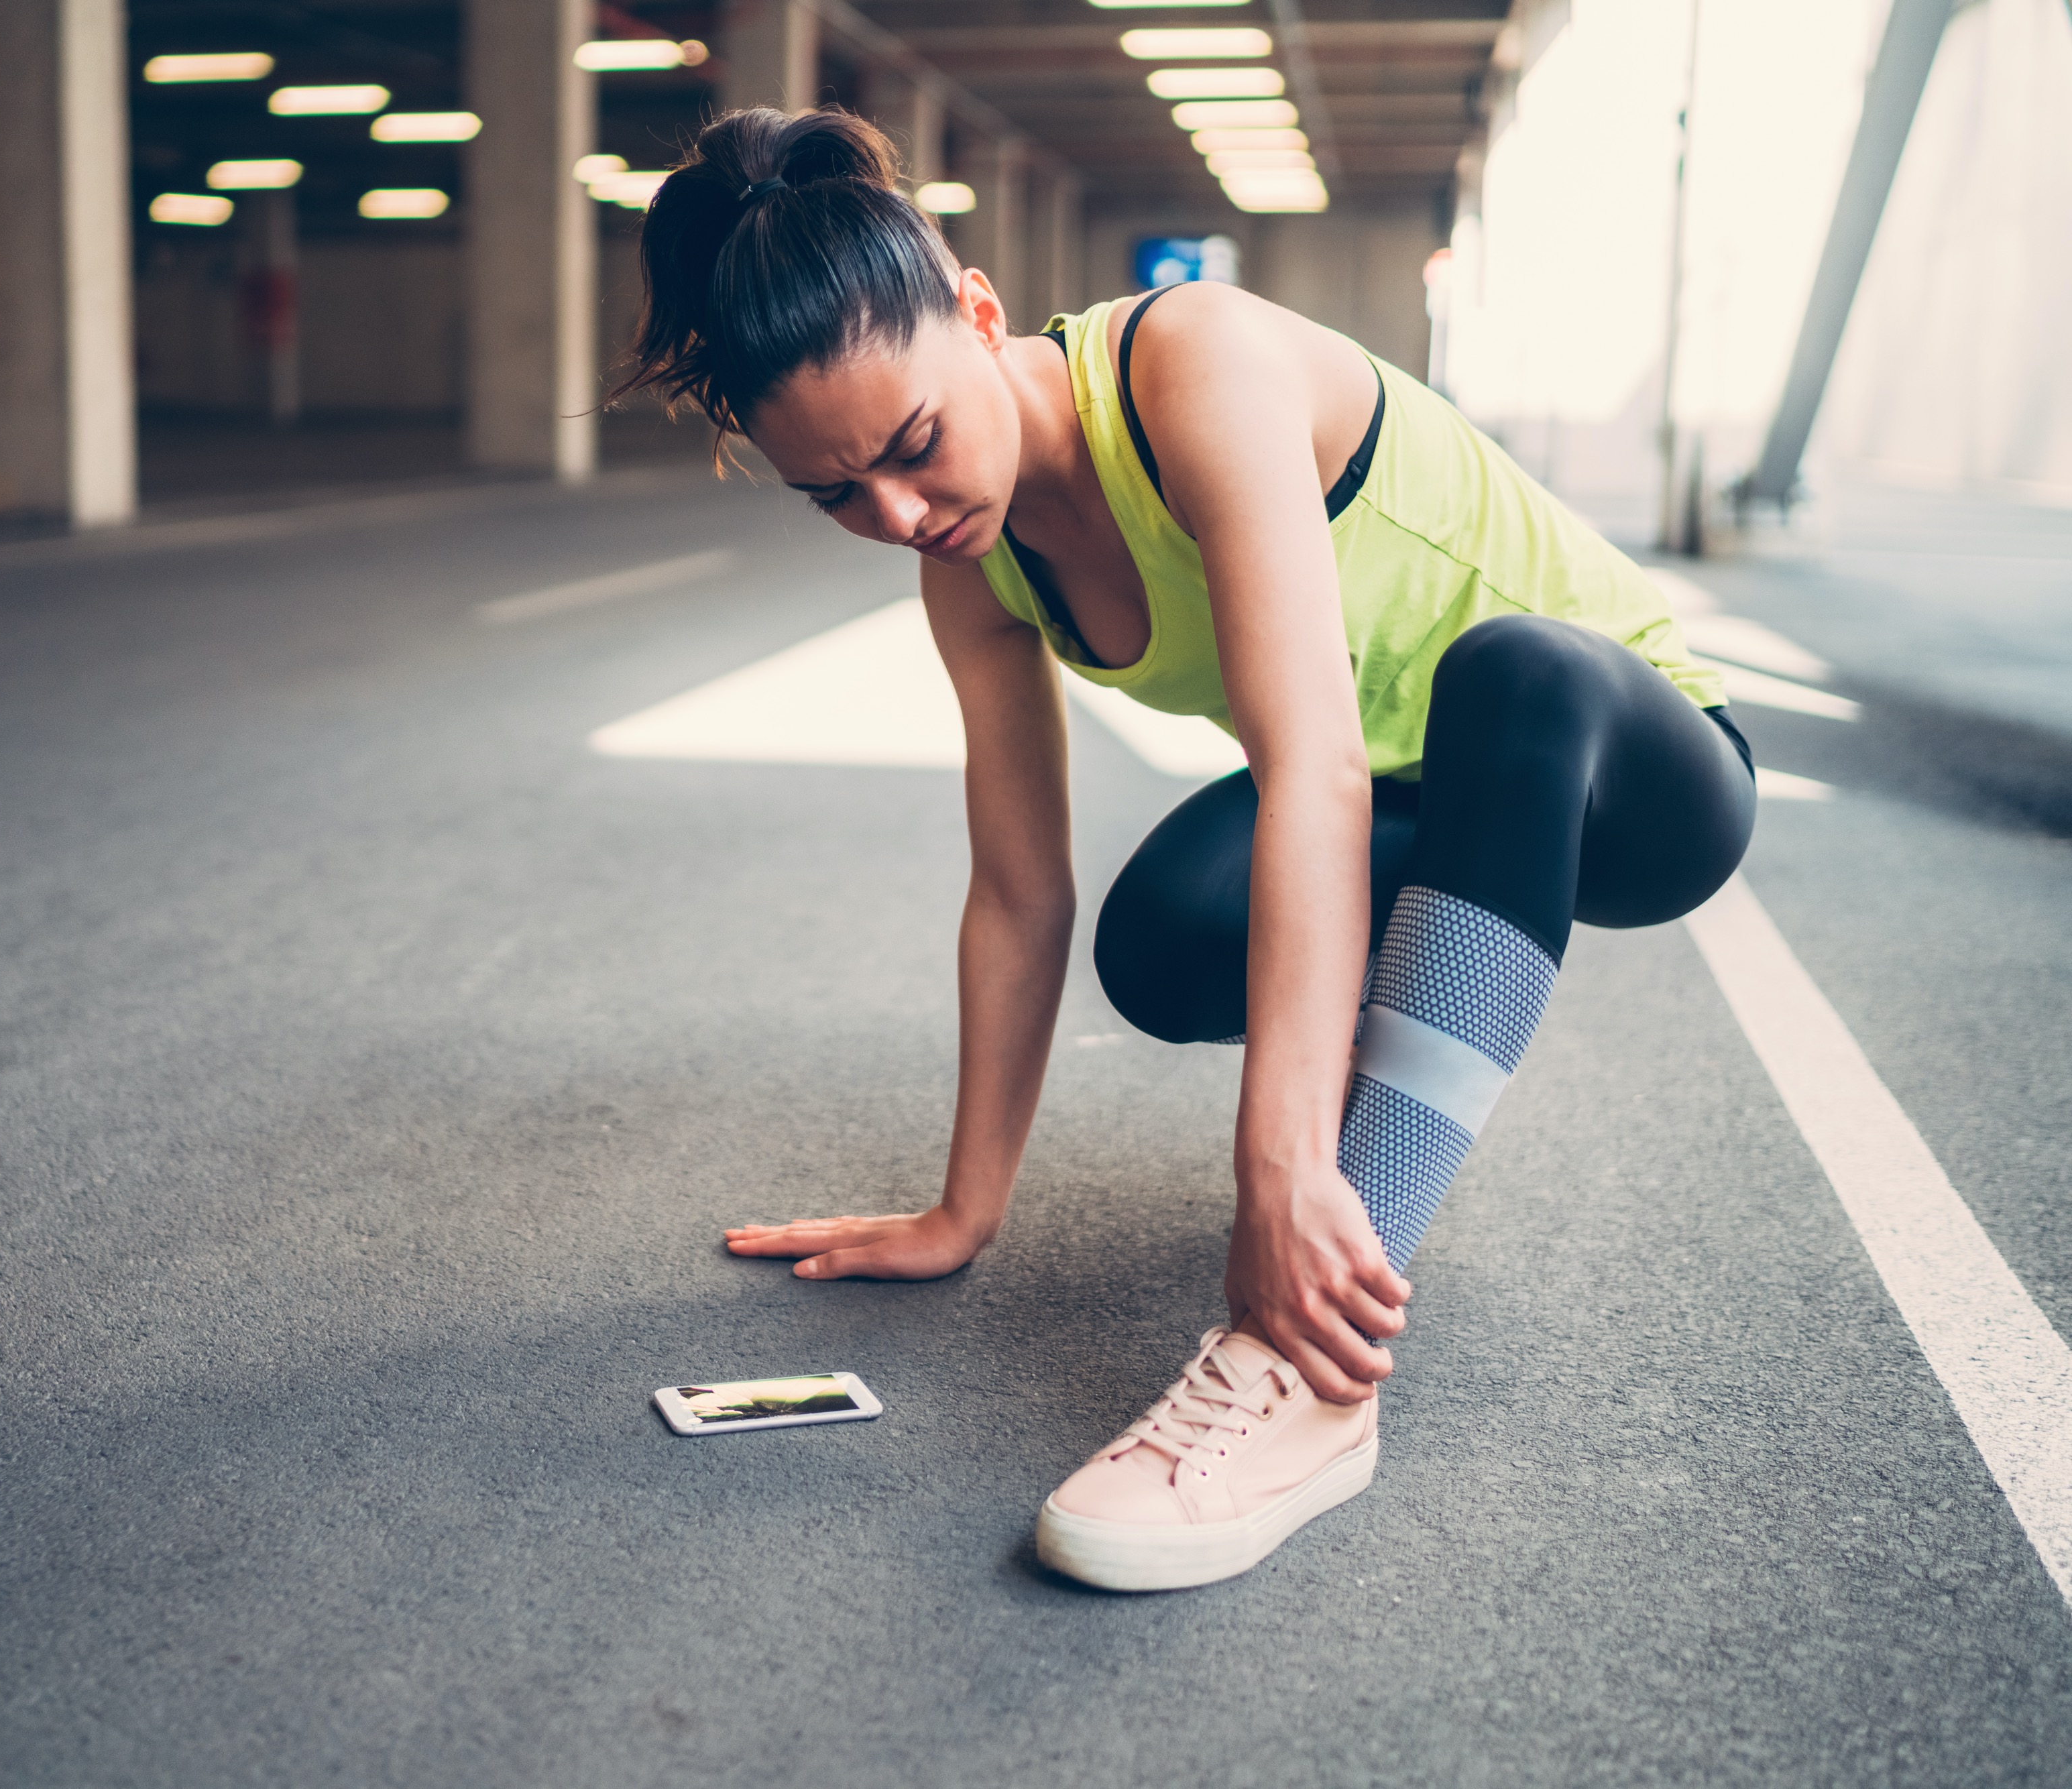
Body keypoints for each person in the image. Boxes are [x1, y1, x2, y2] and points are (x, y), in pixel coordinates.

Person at [613, 108, 1755, 1591]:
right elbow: (1018, 887)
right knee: (1160, 939)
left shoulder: (1192, 368)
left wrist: (1275, 1166)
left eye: (909, 447)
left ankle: (1310, 1363)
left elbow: (1313, 771)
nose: (896, 512)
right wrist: (962, 1208)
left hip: (1630, 760)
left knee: (1508, 669)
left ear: (976, 311)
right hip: (1423, 790)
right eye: (835, 494)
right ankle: (1382, 1082)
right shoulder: (971, 554)